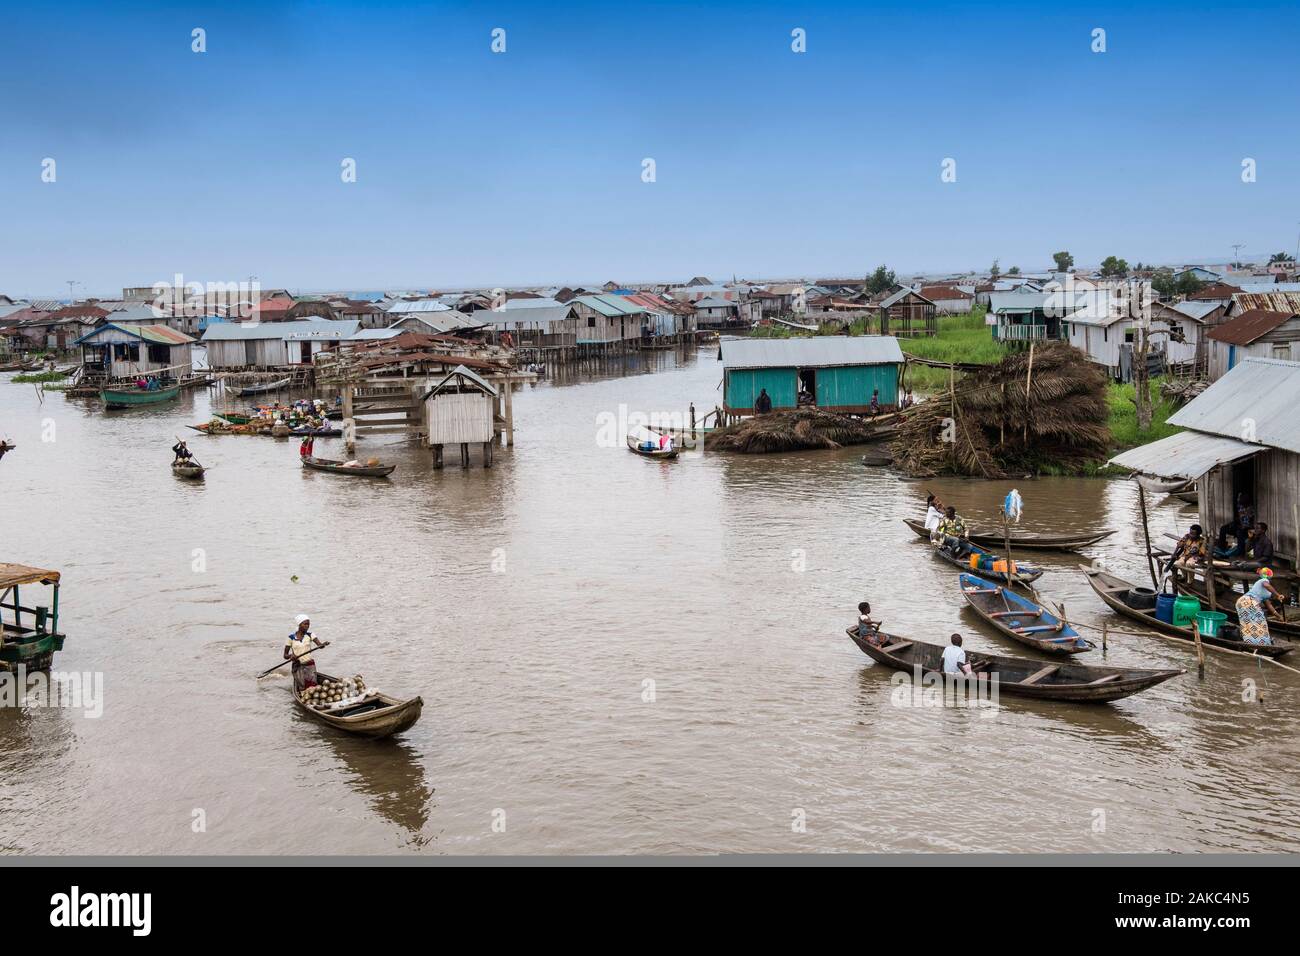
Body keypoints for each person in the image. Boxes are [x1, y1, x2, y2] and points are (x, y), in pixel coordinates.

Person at [1237, 569, 1283, 646]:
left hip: (1242, 602)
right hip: (1249, 601)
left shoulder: (1266, 592)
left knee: (1249, 624)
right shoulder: (1264, 580)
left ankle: (1251, 643)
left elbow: (1269, 606)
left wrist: (1279, 616)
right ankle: (1262, 644)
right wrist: (1278, 595)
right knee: (1260, 623)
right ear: (1269, 576)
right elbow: (1267, 585)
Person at [284, 614, 323, 693]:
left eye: (308, 624)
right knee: (302, 688)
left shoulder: (310, 635)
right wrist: (291, 656)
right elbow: (285, 655)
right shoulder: (291, 638)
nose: (307, 626)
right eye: (305, 624)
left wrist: (322, 645)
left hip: (309, 665)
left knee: (312, 688)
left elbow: (319, 645)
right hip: (298, 666)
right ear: (299, 624)